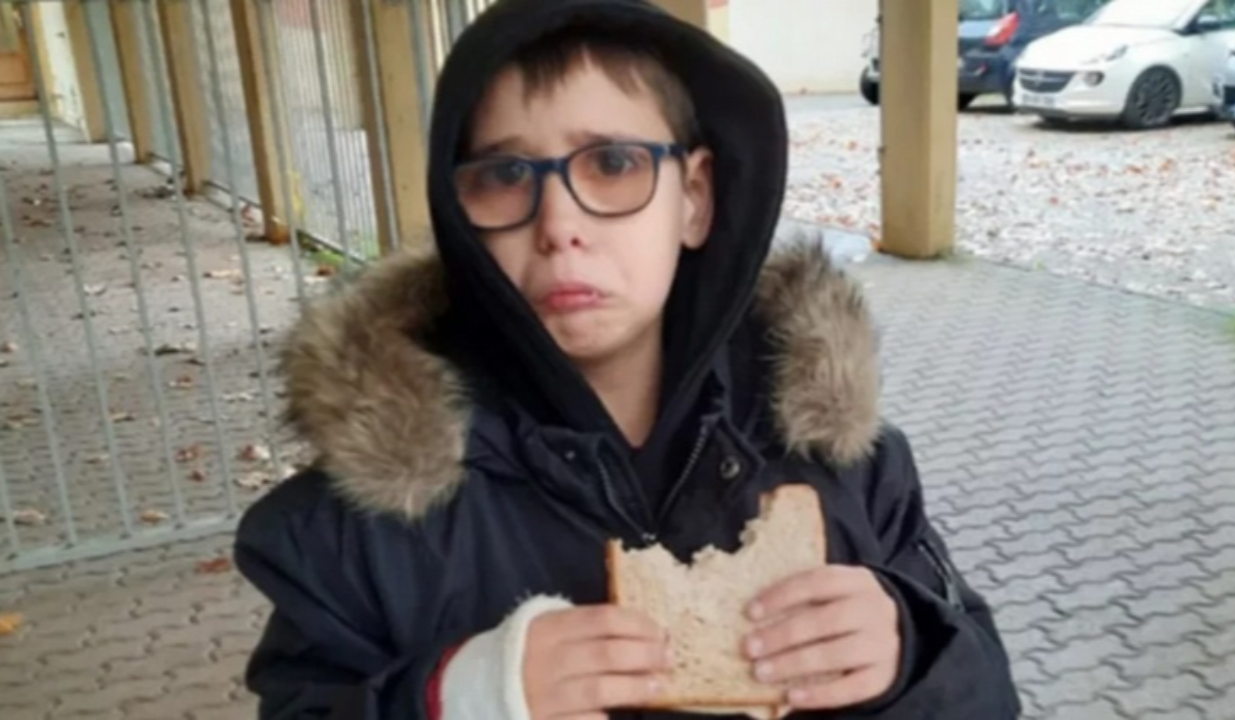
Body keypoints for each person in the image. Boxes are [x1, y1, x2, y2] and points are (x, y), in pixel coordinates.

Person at [233, 0, 1021, 718]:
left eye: (612, 164)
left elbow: (986, 685)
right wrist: (456, 697)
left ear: (696, 198)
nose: (559, 224)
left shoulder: (846, 465)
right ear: (461, 212)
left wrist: (911, 651)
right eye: (507, 175)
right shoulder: (354, 529)